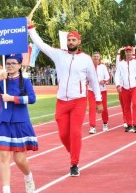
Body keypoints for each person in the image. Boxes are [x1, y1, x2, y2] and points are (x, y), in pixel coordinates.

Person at [28, 17, 102, 177]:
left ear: (79, 42)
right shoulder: (58, 55)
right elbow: (41, 45)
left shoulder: (86, 59)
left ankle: (74, 163)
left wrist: (98, 100)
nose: (71, 42)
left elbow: (94, 81)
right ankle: (73, 152)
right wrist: (30, 27)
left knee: (75, 132)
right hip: (62, 101)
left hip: (78, 101)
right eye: (69, 39)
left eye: (73, 39)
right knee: (63, 134)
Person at [0, 53, 38, 193]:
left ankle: (28, 177)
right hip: (4, 122)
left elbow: (32, 99)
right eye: (8, 63)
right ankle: (6, 192)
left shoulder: (25, 81)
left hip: (20, 122)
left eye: (13, 63)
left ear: (19, 65)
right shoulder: (2, 81)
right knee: (4, 156)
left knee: (19, 159)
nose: (10, 65)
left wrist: (13, 99)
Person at [114, 46, 136, 133]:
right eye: (127, 51)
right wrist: (118, 85)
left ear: (132, 52)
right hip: (124, 87)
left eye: (129, 51)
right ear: (125, 53)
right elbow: (117, 75)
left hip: (135, 86)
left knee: (135, 104)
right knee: (126, 106)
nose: (128, 53)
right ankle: (129, 124)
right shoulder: (121, 64)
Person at [88, 52, 110, 133]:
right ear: (92, 57)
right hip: (91, 90)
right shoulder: (89, 66)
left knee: (103, 108)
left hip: (102, 90)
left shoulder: (103, 66)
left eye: (97, 56)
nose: (96, 58)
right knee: (92, 108)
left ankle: (105, 123)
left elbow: (108, 77)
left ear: (99, 57)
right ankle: (92, 126)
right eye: (94, 56)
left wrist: (104, 81)